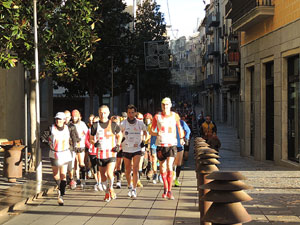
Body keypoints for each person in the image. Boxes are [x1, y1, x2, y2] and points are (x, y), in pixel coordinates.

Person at [151, 97, 184, 200]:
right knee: (163, 167)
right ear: (161, 106)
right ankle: (165, 188)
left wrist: (182, 138)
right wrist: (156, 133)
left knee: (170, 166)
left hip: (171, 144)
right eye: (163, 105)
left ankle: (169, 190)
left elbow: (179, 127)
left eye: (167, 105)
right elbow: (151, 131)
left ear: (170, 105)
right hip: (160, 145)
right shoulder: (157, 117)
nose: (165, 107)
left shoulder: (175, 116)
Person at [90, 105, 122, 202]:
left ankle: (110, 188)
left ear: (108, 113)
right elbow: (91, 138)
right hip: (100, 154)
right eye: (101, 113)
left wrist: (118, 145)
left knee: (109, 173)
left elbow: (120, 135)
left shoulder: (113, 125)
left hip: (111, 153)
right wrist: (94, 143)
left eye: (104, 113)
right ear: (98, 113)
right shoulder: (95, 125)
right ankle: (107, 191)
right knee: (103, 175)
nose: (103, 114)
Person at [41, 112, 73, 206]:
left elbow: (75, 138)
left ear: (64, 120)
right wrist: (47, 142)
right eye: (57, 119)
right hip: (54, 153)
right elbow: (43, 137)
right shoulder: (51, 128)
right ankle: (60, 188)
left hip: (65, 153)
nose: (58, 121)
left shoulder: (69, 128)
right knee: (56, 175)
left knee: (63, 174)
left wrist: (73, 145)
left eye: (60, 119)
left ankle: (61, 193)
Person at [120, 105, 147, 199]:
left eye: (132, 112)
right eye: (129, 113)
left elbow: (146, 132)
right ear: (127, 113)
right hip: (126, 148)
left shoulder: (140, 123)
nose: (131, 114)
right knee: (127, 170)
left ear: (135, 113)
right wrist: (119, 142)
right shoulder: (123, 123)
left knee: (135, 169)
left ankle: (134, 189)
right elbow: (118, 134)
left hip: (137, 148)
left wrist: (144, 140)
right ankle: (129, 185)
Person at [72, 109, 88, 188]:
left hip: (81, 146)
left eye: (76, 116)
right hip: (73, 146)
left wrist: (82, 138)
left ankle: (83, 179)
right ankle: (76, 178)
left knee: (81, 162)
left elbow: (87, 133)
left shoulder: (82, 124)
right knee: (74, 163)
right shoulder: (71, 125)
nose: (74, 118)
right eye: (73, 116)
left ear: (79, 116)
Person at [64, 110, 80, 190]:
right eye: (64, 117)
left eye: (67, 117)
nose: (66, 119)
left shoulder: (72, 126)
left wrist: (74, 143)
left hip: (70, 149)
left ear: (70, 117)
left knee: (70, 167)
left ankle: (71, 179)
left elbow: (76, 137)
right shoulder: (58, 125)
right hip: (60, 149)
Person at [85, 116, 102, 191]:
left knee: (100, 168)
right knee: (94, 167)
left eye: (96, 122)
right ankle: (97, 182)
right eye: (93, 122)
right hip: (92, 151)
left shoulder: (102, 130)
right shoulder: (89, 130)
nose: (94, 123)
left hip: (101, 151)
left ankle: (100, 182)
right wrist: (90, 146)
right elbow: (86, 140)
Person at [174, 114, 191, 187]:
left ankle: (176, 179)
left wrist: (186, 138)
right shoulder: (167, 122)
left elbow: (188, 130)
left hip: (179, 145)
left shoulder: (181, 123)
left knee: (178, 163)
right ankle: (170, 178)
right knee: (171, 163)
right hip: (170, 145)